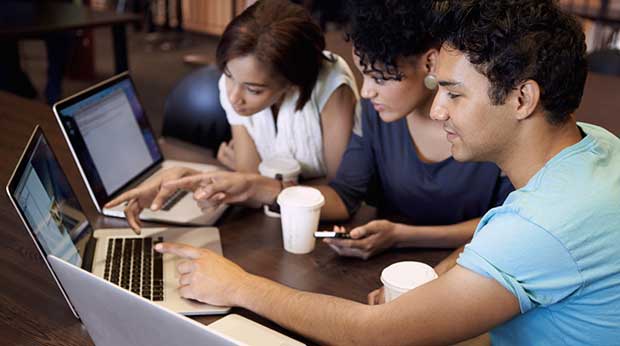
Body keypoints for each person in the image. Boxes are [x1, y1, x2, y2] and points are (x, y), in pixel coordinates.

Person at [150, 0, 620, 344]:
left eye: (454, 94)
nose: (437, 110)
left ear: (522, 99)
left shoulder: (538, 227)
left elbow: (374, 335)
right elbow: (498, 239)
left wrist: (238, 285)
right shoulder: (596, 144)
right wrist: (438, 279)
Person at [108, 0, 513, 259]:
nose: (366, 89)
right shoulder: (377, 113)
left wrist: (404, 235)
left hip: (475, 265)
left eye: (380, 76)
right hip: (388, 262)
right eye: (363, 73)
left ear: (428, 64)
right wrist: (243, 186)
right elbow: (342, 196)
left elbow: (511, 222)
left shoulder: (487, 120)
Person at [214, 0, 359, 179]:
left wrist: (257, 184)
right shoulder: (236, 83)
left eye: (253, 90)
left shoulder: (331, 85)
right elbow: (249, 177)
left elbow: (343, 189)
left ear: (292, 81)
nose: (233, 97)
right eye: (228, 75)